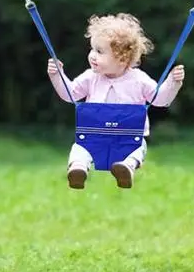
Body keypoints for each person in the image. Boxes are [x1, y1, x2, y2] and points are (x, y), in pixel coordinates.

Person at [47, 12, 184, 190]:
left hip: (128, 137)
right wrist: (57, 75)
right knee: (81, 148)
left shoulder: (138, 80)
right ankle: (78, 169)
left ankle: (126, 168)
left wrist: (173, 82)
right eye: (92, 49)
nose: (92, 56)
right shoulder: (91, 77)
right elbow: (70, 94)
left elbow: (160, 99)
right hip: (94, 135)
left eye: (99, 51)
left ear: (122, 58)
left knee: (137, 148)